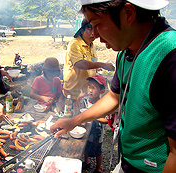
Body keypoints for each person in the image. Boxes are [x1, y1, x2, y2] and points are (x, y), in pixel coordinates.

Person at [51, 0, 176, 172]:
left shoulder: (169, 56)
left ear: (128, 14)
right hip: (128, 161)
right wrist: (75, 120)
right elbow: (114, 97)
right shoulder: (126, 53)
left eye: (97, 24)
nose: (95, 35)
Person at [63, 19, 114, 100]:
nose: (93, 33)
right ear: (82, 30)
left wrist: (97, 68)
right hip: (73, 92)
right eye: (90, 30)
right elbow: (79, 63)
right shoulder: (75, 44)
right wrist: (102, 64)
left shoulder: (92, 45)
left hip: (86, 91)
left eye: (95, 30)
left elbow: (92, 62)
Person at [76, 75, 108, 173]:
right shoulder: (85, 100)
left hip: (97, 133)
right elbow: (79, 111)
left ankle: (98, 168)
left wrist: (93, 116)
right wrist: (77, 100)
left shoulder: (103, 104)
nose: (90, 90)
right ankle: (87, 161)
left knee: (98, 151)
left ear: (102, 91)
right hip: (86, 130)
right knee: (86, 146)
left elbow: (106, 120)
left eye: (93, 88)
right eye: (89, 86)